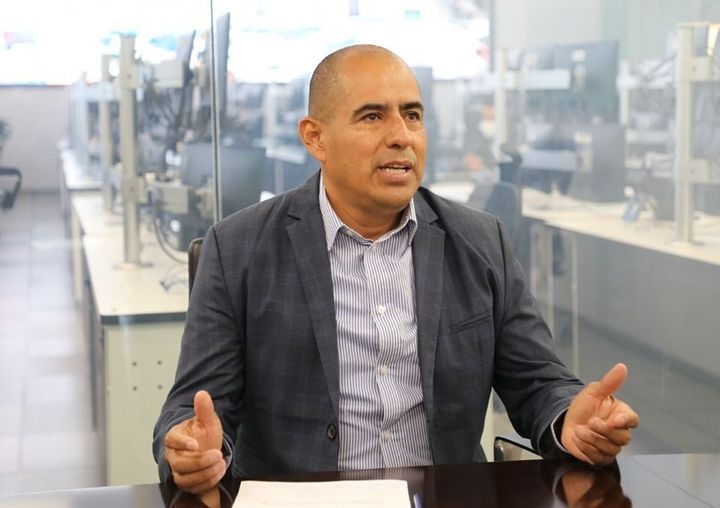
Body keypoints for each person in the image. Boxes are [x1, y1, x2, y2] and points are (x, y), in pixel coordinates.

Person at [153, 44, 639, 498]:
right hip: (302, 501)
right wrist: (192, 449)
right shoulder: (237, 248)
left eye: (412, 115)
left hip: (444, 498)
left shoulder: (480, 241)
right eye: (372, 116)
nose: (401, 136)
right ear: (315, 137)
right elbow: (193, 408)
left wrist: (570, 419)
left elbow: (538, 381)